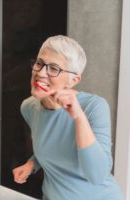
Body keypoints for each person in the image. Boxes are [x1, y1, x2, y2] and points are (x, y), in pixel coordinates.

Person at [12, 35, 123, 200]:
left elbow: (97, 175)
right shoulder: (29, 108)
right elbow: (55, 145)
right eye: (39, 63)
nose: (41, 73)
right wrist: (32, 164)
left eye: (54, 68)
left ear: (73, 81)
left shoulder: (94, 107)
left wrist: (79, 118)